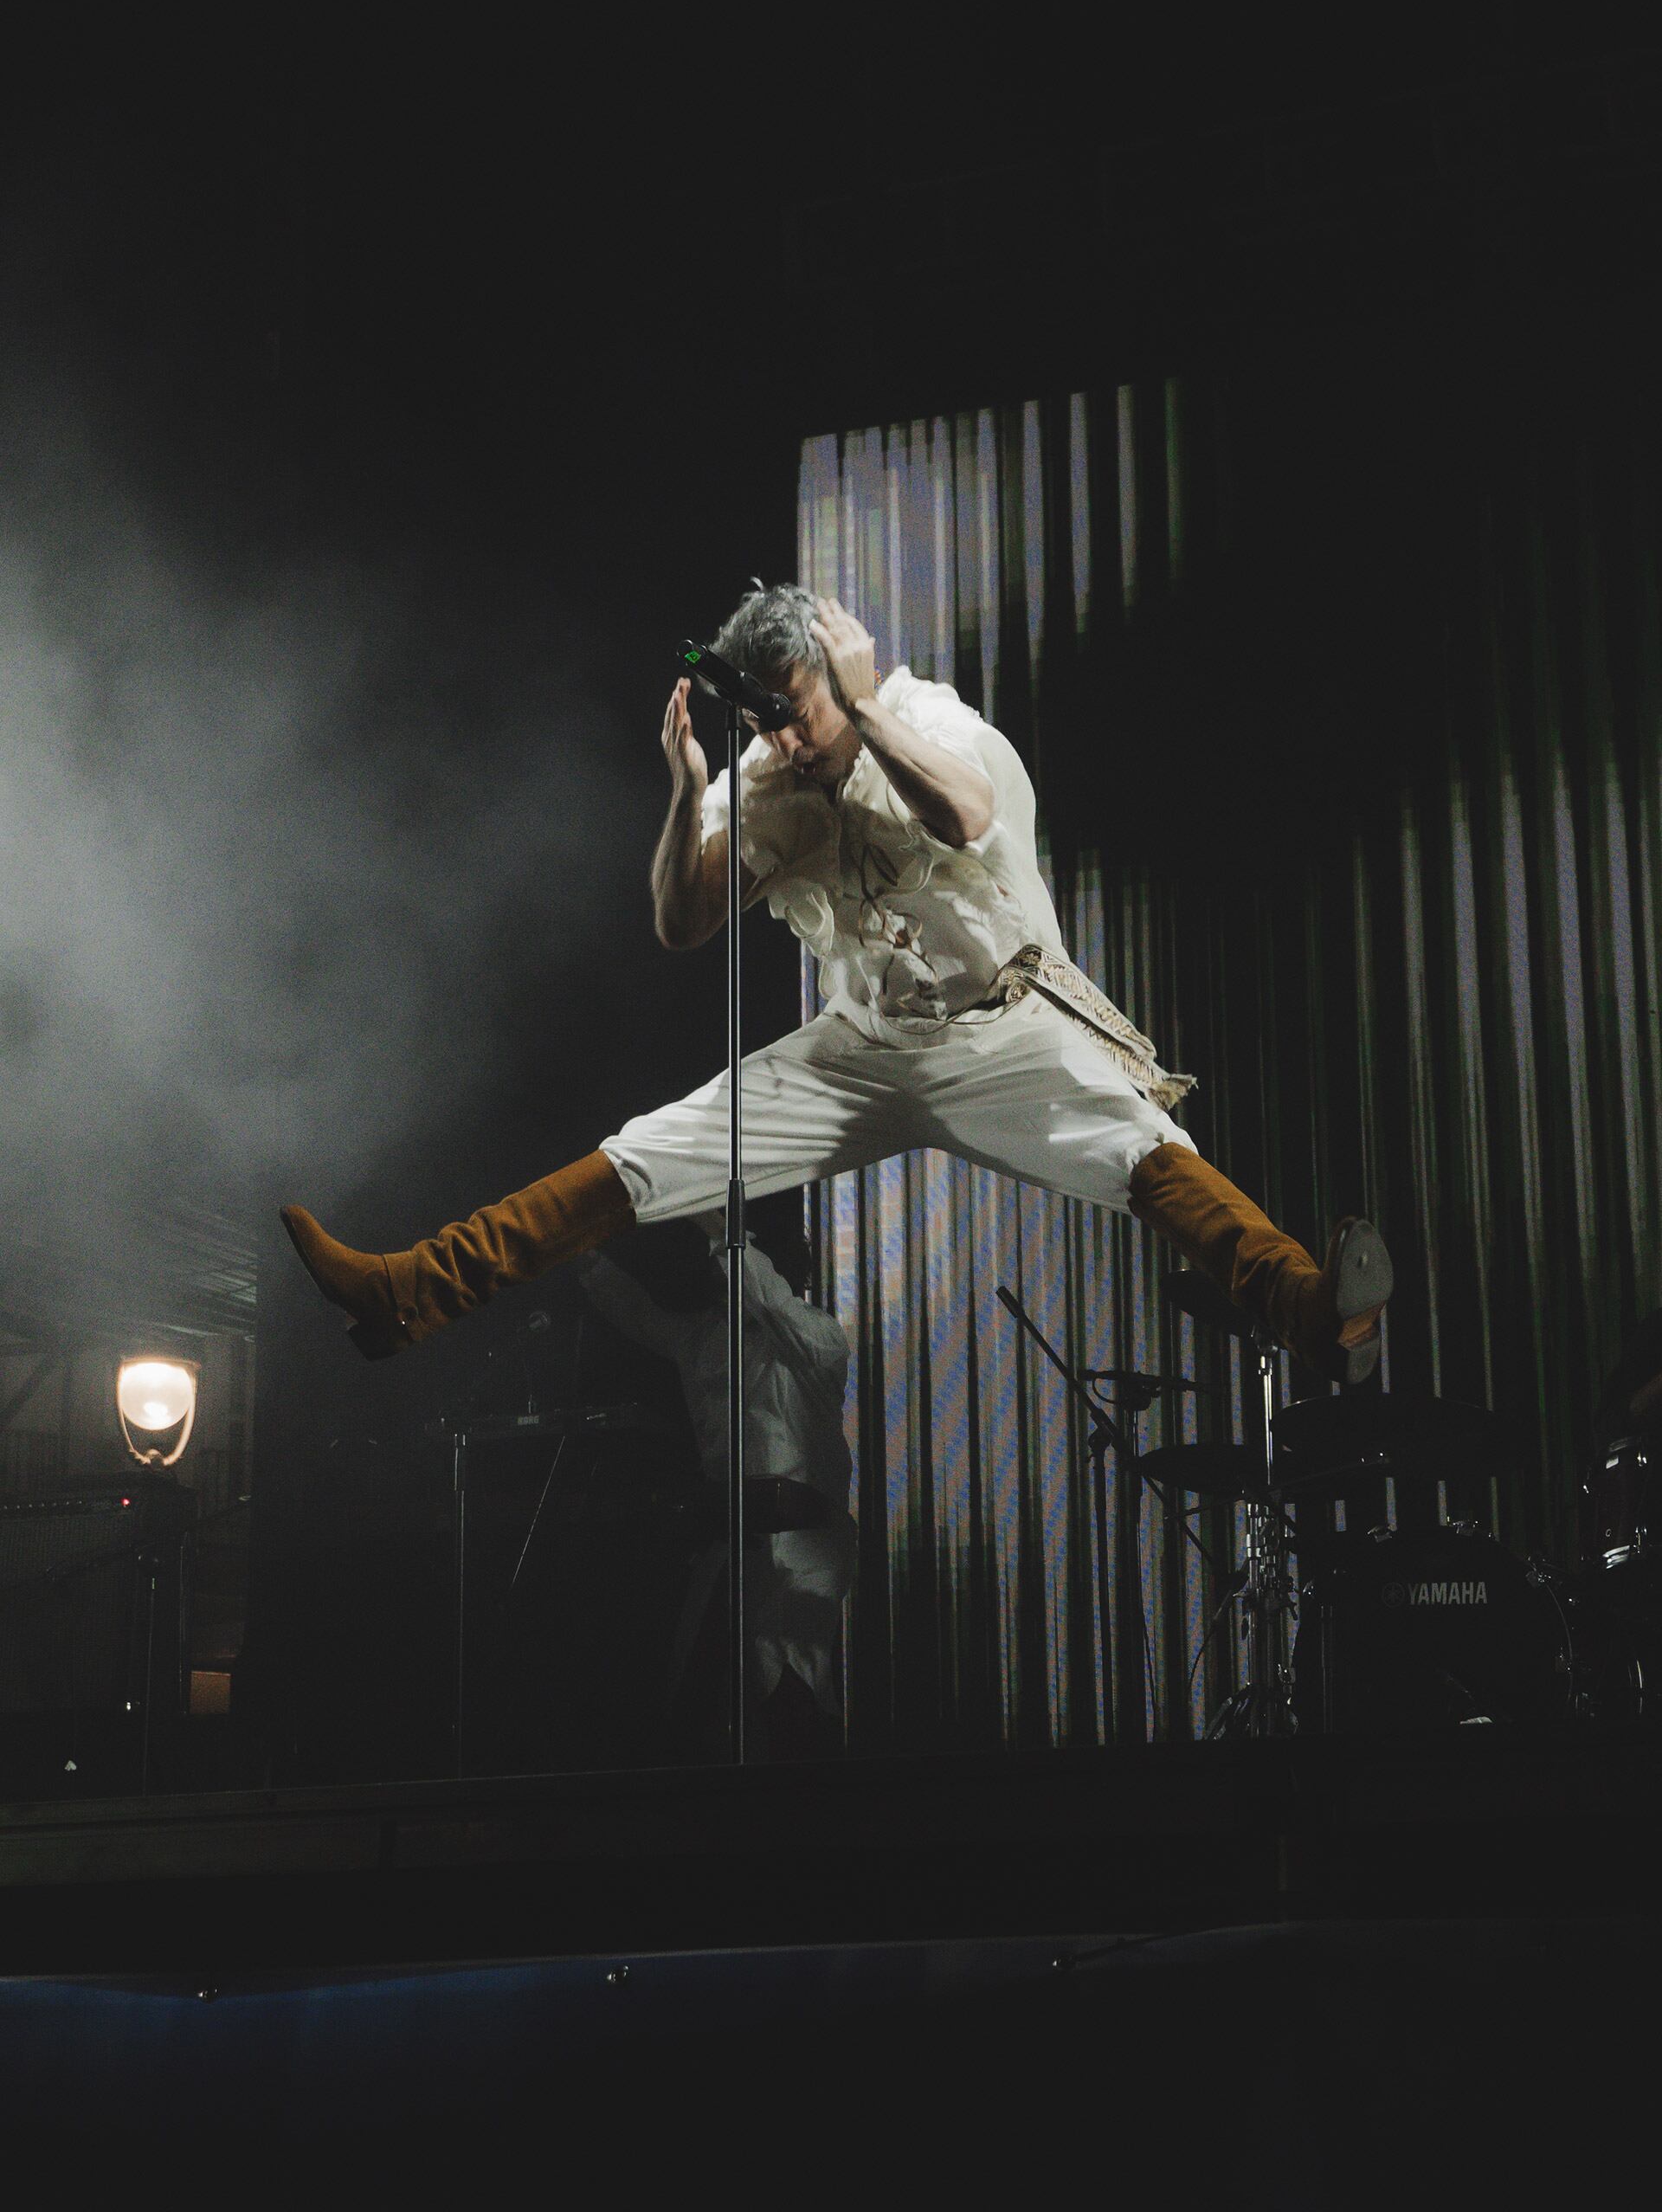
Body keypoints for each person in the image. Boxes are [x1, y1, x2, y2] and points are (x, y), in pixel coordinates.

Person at [281, 583, 1391, 1390]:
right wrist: (687, 795)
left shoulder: (936, 723)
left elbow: (964, 816)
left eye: (797, 709)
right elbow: (681, 924)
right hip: (859, 1052)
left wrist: (861, 717)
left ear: (840, 675)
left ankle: (1313, 1307)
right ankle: (406, 1294)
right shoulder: (767, 776)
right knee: (646, 1151)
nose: (785, 737)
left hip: (1002, 1035)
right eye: (765, 717)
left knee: (1150, 1156)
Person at [575, 1206, 853, 1758]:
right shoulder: (702, 1339)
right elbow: (637, 1313)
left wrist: (720, 1229)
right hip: (728, 1541)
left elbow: (766, 1301)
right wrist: (584, 1261)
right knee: (710, 1690)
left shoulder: (813, 1337)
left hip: (795, 1546)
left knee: (789, 1682)